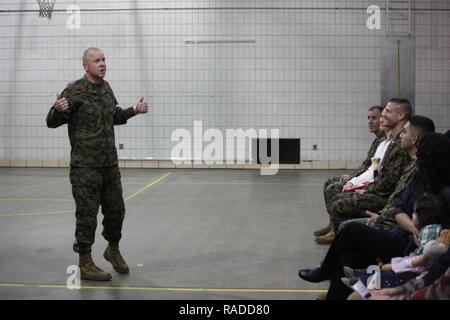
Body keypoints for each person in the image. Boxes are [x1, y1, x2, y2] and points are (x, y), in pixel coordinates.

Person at [298, 133, 450, 300]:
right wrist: (412, 226)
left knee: (351, 230)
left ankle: (324, 271)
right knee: (350, 256)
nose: (416, 159)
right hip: (400, 231)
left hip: (410, 245)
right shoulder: (417, 178)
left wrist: (412, 228)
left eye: (420, 156)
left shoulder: (444, 192)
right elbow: (398, 209)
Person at [46, 47, 149, 281]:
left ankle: (112, 250)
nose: (102, 63)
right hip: (85, 168)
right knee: (87, 215)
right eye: (97, 60)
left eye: (103, 59)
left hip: (109, 166)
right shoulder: (75, 90)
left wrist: (134, 110)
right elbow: (51, 122)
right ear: (86, 66)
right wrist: (57, 109)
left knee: (116, 211)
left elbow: (113, 116)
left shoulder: (106, 88)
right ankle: (85, 262)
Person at [316, 98, 412, 244]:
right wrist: (355, 182)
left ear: (400, 116)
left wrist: (363, 189)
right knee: (334, 191)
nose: (382, 117)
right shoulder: (386, 143)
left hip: (384, 198)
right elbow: (372, 169)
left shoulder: (397, 146)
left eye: (387, 112)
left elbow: (385, 182)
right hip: (377, 191)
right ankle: (336, 231)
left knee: (338, 201)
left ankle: (340, 238)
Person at [337, 115, 435, 233]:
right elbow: (372, 169)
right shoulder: (389, 148)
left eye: (404, 132)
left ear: (414, 138)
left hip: (395, 222)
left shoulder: (420, 170)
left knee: (346, 226)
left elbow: (400, 201)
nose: (401, 135)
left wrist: (382, 216)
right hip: (389, 214)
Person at [315, 106, 385, 241]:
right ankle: (333, 225)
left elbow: (372, 170)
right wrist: (352, 177)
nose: (370, 122)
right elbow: (367, 166)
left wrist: (353, 179)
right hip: (366, 179)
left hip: (372, 186)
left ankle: (336, 231)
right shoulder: (378, 141)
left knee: (333, 188)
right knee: (329, 183)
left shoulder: (384, 142)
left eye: (374, 118)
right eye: (368, 118)